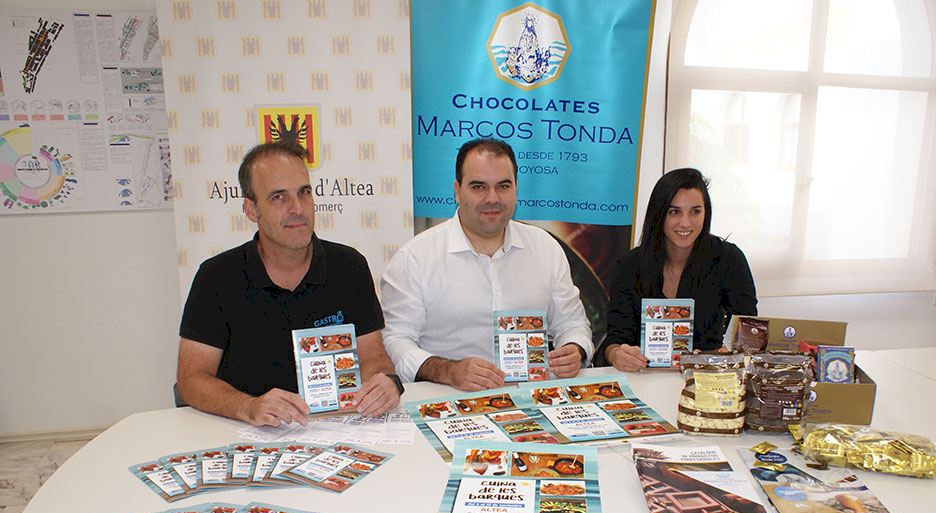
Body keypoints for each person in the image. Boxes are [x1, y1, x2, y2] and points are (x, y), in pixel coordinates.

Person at [177, 141, 402, 426]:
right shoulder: (216, 277)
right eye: (278, 197)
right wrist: (248, 406)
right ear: (251, 209)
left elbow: (374, 357)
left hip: (337, 427)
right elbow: (192, 379)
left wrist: (381, 383)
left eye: (304, 193)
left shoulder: (349, 266)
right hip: (246, 430)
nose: (297, 208)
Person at [381, 138, 593, 391]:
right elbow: (395, 340)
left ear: (516, 189)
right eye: (478, 187)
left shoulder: (545, 247)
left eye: (503, 186)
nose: (492, 198)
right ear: (458, 190)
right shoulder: (415, 258)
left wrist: (574, 349)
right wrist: (449, 371)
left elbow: (573, 324)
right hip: (447, 396)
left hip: (533, 395)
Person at [600, 168, 757, 371]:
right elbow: (615, 339)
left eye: (695, 211)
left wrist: (725, 354)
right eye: (674, 212)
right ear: (658, 214)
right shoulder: (629, 266)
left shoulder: (728, 259)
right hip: (644, 377)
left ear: (706, 213)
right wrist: (615, 354)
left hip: (707, 377)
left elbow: (747, 329)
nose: (685, 223)